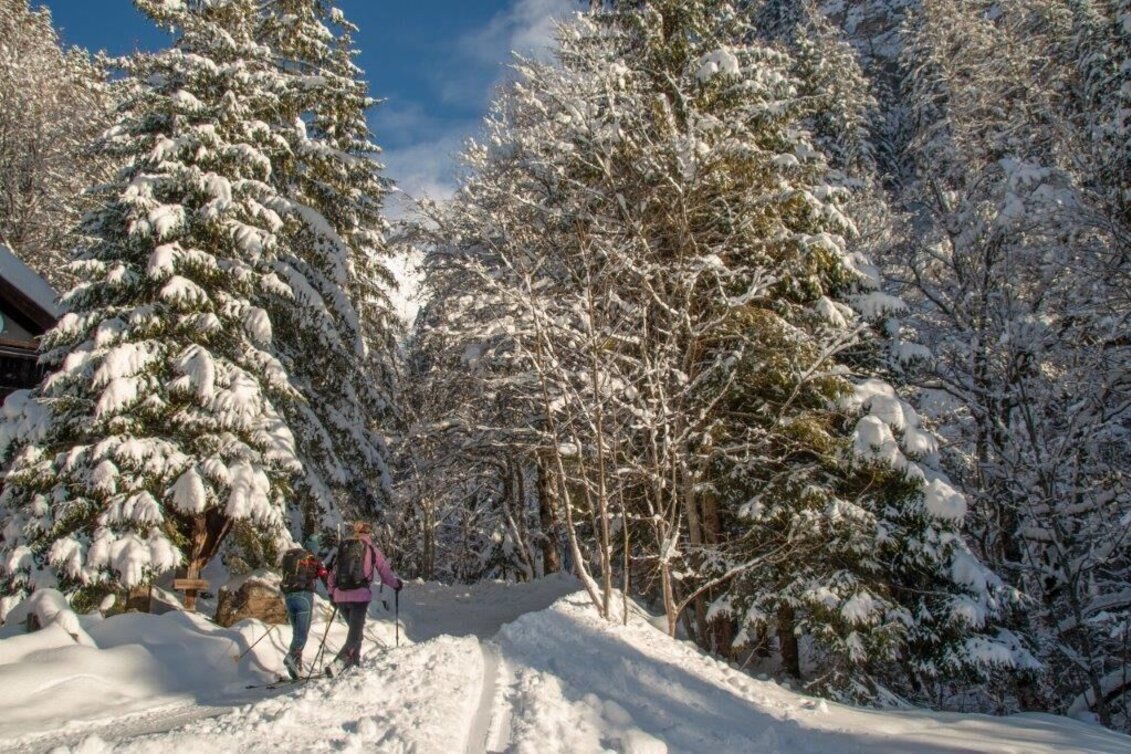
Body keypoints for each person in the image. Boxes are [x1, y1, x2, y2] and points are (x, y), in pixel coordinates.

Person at [325, 520, 402, 676]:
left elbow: (332, 574)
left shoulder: (343, 548)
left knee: (356, 634)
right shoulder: (372, 550)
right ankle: (338, 663)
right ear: (368, 533)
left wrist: (332, 594)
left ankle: (354, 665)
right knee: (355, 635)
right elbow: (385, 573)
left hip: (340, 597)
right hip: (359, 597)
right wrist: (396, 585)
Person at [280, 536, 329, 679]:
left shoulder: (293, 557)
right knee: (302, 633)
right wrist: (333, 594)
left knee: (297, 632)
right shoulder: (314, 559)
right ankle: (291, 656)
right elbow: (325, 578)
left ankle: (295, 668)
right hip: (304, 597)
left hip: (289, 597)